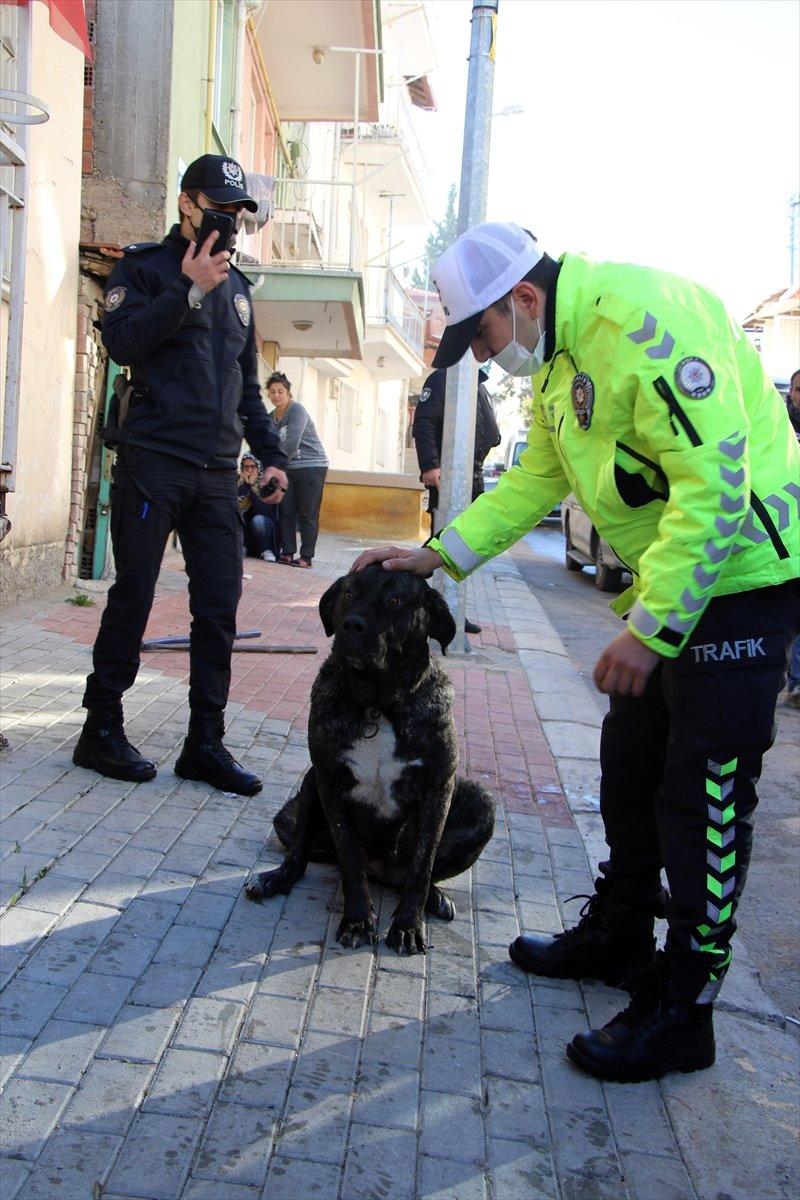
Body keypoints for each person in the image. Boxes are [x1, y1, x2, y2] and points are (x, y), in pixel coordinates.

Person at [353, 222, 800, 1083]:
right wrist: (435, 557)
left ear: (523, 299)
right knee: (629, 768)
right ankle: (621, 933)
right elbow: (535, 483)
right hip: (676, 595)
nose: (485, 358)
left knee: (703, 795)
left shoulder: (644, 321)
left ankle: (686, 1006)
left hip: (742, 579)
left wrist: (652, 629)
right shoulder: (560, 365)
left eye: (480, 335)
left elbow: (717, 479)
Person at [73, 154, 289, 796]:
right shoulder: (142, 267)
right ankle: (100, 728)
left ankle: (205, 743)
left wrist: (272, 455)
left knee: (219, 605)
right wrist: (188, 289)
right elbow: (124, 343)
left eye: (240, 216)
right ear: (188, 203)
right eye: (221, 210)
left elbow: (247, 390)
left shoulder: (242, 292)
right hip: (154, 464)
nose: (231, 226)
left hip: (217, 475)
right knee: (134, 594)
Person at [412, 365, 501, 634]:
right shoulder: (444, 378)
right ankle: (422, 607)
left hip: (472, 477)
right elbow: (424, 422)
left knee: (465, 546)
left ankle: (451, 610)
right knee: (442, 544)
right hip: (448, 478)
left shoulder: (478, 385)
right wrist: (429, 465)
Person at [267, 371, 329, 568]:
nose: (276, 395)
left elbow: (292, 443)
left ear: (288, 393)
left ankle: (306, 557)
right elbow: (268, 444)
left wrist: (276, 466)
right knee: (286, 510)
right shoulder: (271, 417)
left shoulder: (297, 411)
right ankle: (287, 552)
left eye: (280, 391)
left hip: (311, 466)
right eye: (272, 392)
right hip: (287, 469)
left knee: (307, 513)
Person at [238, 452, 280, 561]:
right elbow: (235, 507)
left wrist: (252, 486)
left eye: (252, 466)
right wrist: (246, 485)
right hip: (246, 536)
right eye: (246, 467)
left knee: (258, 519)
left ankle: (266, 550)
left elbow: (262, 510)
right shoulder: (238, 483)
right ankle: (241, 547)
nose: (249, 470)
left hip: (264, 530)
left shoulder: (267, 484)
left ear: (259, 468)